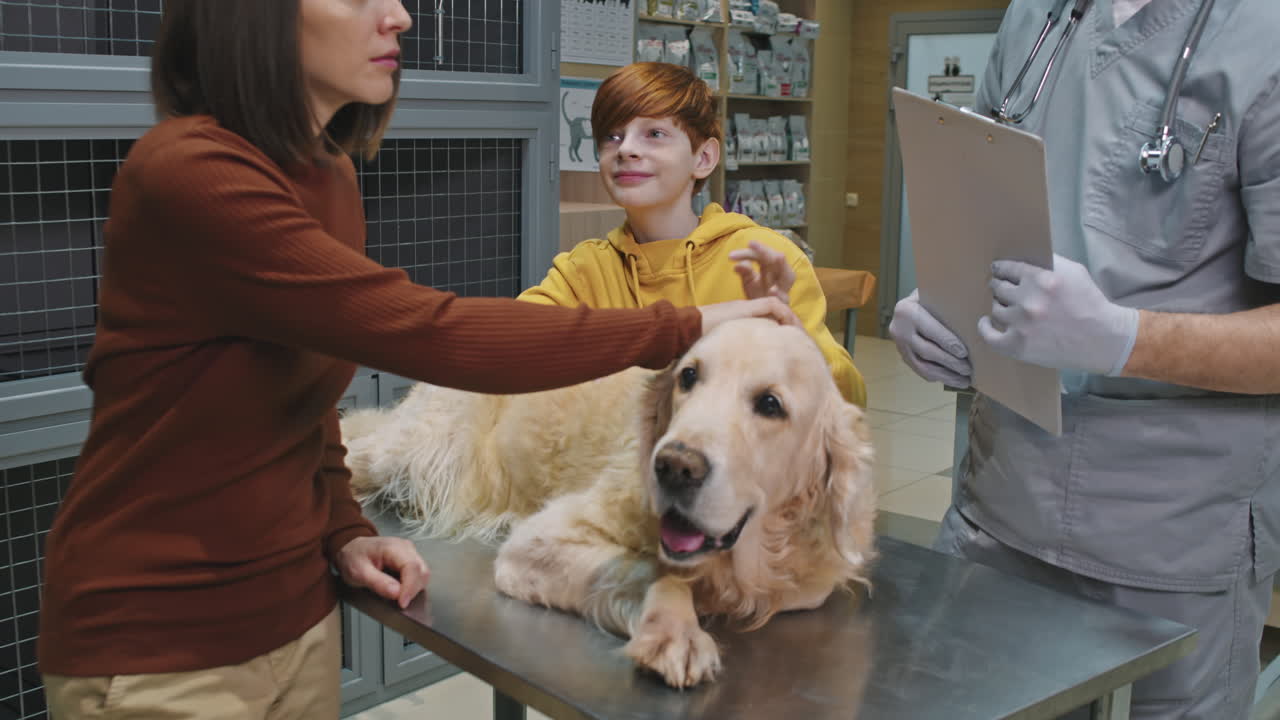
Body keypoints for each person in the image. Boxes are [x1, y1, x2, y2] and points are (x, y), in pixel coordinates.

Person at [36, 2, 798, 718]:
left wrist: (340, 528)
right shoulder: (188, 171)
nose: (400, 14)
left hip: (295, 619)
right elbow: (427, 332)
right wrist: (688, 325)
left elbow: (300, 395)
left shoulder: (325, 174)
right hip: (159, 639)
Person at [889, 0, 1280, 717]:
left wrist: (1122, 339)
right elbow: (982, 216)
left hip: (1166, 542)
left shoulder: (1263, 35)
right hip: (998, 511)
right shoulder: (1040, 18)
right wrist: (938, 307)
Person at [521, 61, 867, 407]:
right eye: (612, 136)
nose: (625, 149)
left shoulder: (761, 257)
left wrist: (792, 341)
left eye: (654, 134)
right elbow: (517, 347)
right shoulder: (583, 269)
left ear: (703, 158)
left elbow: (848, 399)